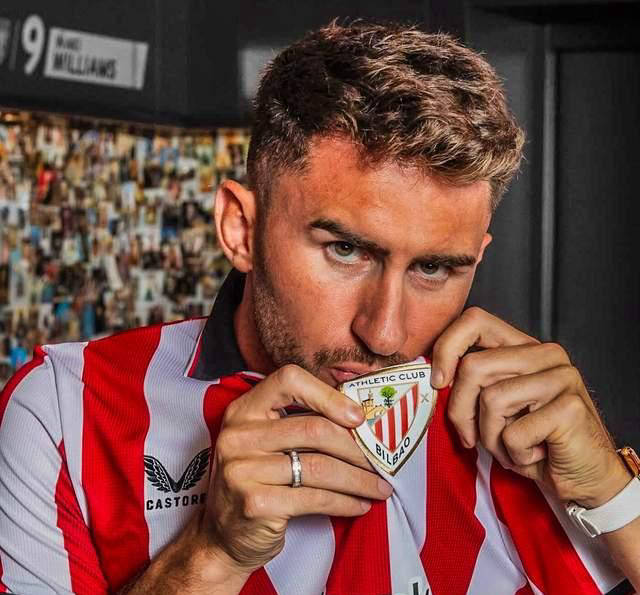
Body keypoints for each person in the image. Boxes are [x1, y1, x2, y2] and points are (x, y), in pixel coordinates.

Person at [0, 21, 638, 595]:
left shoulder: (516, 425)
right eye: (346, 250)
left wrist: (614, 495)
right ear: (241, 229)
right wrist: (212, 556)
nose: (385, 333)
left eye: (433, 268)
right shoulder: (64, 410)